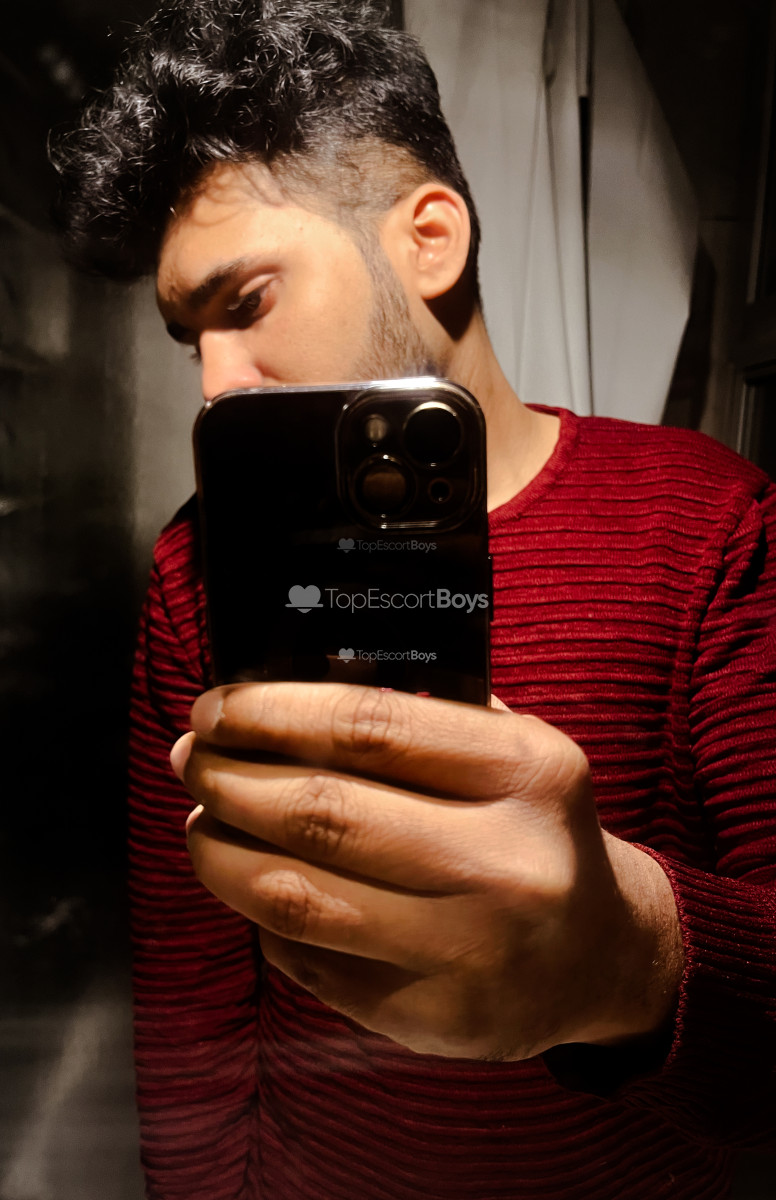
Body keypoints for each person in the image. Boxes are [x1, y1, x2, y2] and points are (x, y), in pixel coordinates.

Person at [50, 1, 776, 1197]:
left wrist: (626, 959)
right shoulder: (199, 564)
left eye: (246, 302)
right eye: (191, 341)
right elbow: (189, 996)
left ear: (428, 240)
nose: (216, 385)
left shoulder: (708, 522)